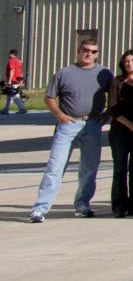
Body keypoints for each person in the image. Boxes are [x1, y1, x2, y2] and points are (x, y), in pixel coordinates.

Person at [30, 39, 113, 222]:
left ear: (97, 54)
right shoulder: (65, 72)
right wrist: (59, 115)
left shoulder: (104, 73)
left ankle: (82, 204)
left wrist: (106, 116)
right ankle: (40, 208)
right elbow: (50, 97)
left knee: (89, 167)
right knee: (55, 166)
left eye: (93, 51)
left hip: (92, 124)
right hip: (68, 124)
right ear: (78, 51)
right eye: (86, 50)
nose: (89, 54)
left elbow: (114, 96)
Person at [106, 50, 133, 217]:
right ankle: (119, 206)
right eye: (126, 61)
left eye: (132, 60)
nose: (129, 63)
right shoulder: (116, 82)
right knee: (120, 168)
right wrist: (129, 124)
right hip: (120, 130)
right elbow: (112, 107)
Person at [2, 48, 26, 115]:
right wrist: (21, 81)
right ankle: (6, 109)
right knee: (12, 95)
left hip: (13, 80)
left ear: (11, 54)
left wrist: (9, 80)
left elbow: (11, 71)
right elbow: (21, 72)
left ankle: (22, 109)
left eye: (9, 54)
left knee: (12, 95)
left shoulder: (11, 61)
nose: (8, 55)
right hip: (17, 81)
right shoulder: (19, 61)